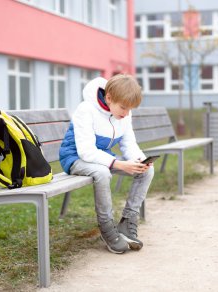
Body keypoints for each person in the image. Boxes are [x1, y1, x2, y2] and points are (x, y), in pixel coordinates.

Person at [59, 74, 154, 254]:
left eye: (130, 109)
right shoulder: (86, 110)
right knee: (103, 173)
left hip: (102, 158)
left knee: (146, 171)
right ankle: (107, 228)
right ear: (109, 98)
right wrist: (118, 164)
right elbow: (86, 151)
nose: (126, 113)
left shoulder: (124, 112)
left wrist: (139, 161)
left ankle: (127, 221)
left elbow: (128, 144)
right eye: (123, 108)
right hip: (75, 158)